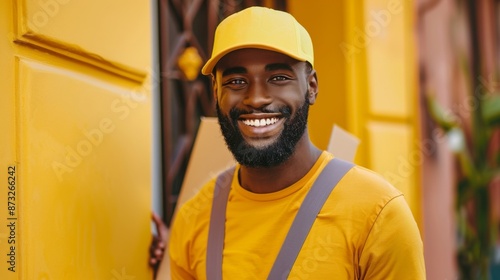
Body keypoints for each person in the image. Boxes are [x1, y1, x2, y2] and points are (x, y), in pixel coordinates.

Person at [158, 6, 426, 279]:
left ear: (311, 87)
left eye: (278, 78)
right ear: (216, 94)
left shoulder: (378, 215)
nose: (257, 98)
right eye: (237, 81)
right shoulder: (194, 220)